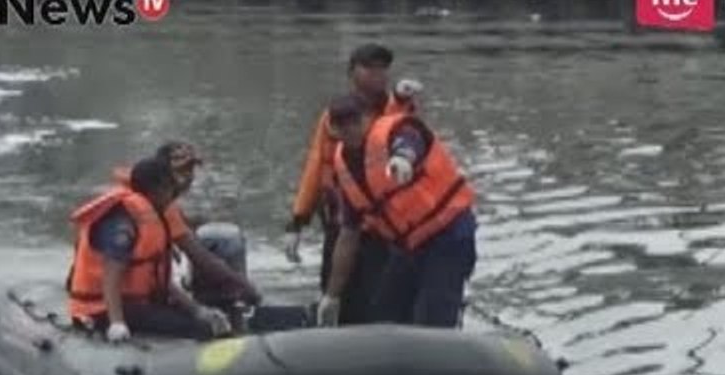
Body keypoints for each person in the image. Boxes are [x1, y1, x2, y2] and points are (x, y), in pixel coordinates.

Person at [284, 43, 423, 324]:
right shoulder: (333, 116)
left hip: (383, 228)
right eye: (369, 68)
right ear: (352, 72)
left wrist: (400, 99)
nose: (377, 74)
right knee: (336, 288)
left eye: (382, 69)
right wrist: (298, 221)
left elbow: (406, 137)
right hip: (341, 220)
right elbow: (315, 166)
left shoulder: (397, 113)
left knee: (380, 295)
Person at [317, 95, 477, 329]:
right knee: (384, 313)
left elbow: (411, 140)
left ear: (367, 118)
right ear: (333, 128)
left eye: (354, 120)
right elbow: (348, 236)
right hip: (410, 248)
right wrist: (332, 295)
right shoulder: (345, 167)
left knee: (433, 318)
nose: (348, 129)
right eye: (341, 124)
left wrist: (403, 159)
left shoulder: (395, 130)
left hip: (447, 237)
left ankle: (438, 356)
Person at [67, 156, 233, 342]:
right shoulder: (123, 223)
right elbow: (110, 277)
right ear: (157, 189)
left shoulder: (153, 216)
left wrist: (197, 310)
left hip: (136, 304)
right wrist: (117, 323)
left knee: (201, 322)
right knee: (199, 330)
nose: (174, 195)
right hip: (100, 310)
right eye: (171, 189)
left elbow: (159, 282)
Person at [112, 141, 263, 308]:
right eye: (180, 171)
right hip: (125, 303)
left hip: (135, 292)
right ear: (162, 174)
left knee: (213, 234)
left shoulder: (144, 196)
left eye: (191, 170)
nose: (188, 178)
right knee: (220, 240)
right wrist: (244, 287)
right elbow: (200, 257)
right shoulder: (153, 204)